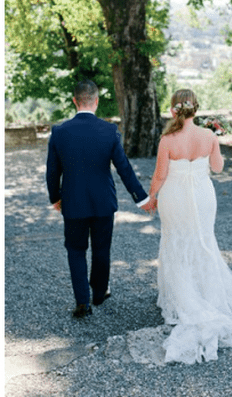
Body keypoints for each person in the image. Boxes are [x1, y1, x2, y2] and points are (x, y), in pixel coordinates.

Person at [148, 89, 232, 364]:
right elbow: (218, 168)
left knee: (176, 242)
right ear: (196, 109)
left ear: (174, 110)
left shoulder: (168, 139)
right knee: (203, 242)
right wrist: (213, 145)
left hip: (176, 197)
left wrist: (151, 196)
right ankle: (204, 293)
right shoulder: (208, 136)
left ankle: (184, 298)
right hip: (203, 196)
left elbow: (160, 174)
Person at [46, 80, 155, 318]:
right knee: (101, 249)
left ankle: (82, 303)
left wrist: (55, 198)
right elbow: (124, 168)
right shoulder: (109, 131)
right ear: (96, 101)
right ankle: (98, 294)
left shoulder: (59, 132)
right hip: (104, 202)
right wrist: (141, 198)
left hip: (72, 202)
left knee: (75, 250)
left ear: (75, 100)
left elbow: (53, 171)